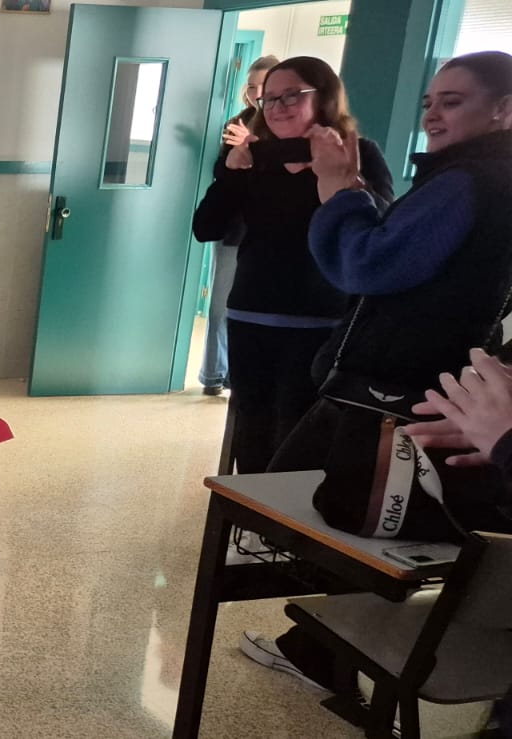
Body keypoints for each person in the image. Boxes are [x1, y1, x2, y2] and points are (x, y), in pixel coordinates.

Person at [240, 50, 512, 694]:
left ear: (503, 109)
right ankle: (322, 643)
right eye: (429, 102)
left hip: (391, 386)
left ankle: (332, 649)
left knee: (347, 515)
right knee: (327, 499)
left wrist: (340, 189)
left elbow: (367, 264)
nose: (433, 115)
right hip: (412, 380)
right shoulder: (472, 177)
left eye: (453, 102)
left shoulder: (468, 180)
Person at [191, 56, 393, 475]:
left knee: (300, 433)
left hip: (322, 320)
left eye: (291, 96)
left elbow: (381, 233)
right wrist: (231, 173)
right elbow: (205, 227)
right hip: (251, 313)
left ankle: (286, 515)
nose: (277, 107)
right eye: (269, 98)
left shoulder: (357, 153)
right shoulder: (254, 156)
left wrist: (341, 179)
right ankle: (250, 512)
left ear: (324, 98)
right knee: (253, 427)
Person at [199, 55, 278, 397]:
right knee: (220, 307)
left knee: (255, 309)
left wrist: (256, 147)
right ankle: (214, 374)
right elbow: (222, 173)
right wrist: (238, 152)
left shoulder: (284, 129)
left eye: (264, 87)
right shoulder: (237, 122)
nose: (256, 94)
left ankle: (239, 378)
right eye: (251, 86)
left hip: (270, 235)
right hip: (233, 229)